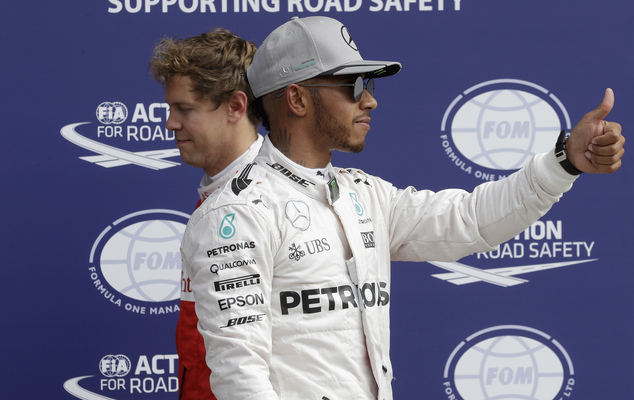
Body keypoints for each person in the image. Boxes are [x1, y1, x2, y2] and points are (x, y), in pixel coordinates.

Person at [180, 16, 625, 400]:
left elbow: (471, 221)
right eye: (353, 85)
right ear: (296, 99)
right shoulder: (235, 215)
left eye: (368, 84)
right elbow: (242, 378)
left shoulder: (363, 194)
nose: (370, 99)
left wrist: (563, 162)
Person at [148, 28, 262, 400]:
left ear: (235, 106)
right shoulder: (219, 193)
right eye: (169, 108)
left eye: (184, 109)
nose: (170, 123)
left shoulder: (267, 202)